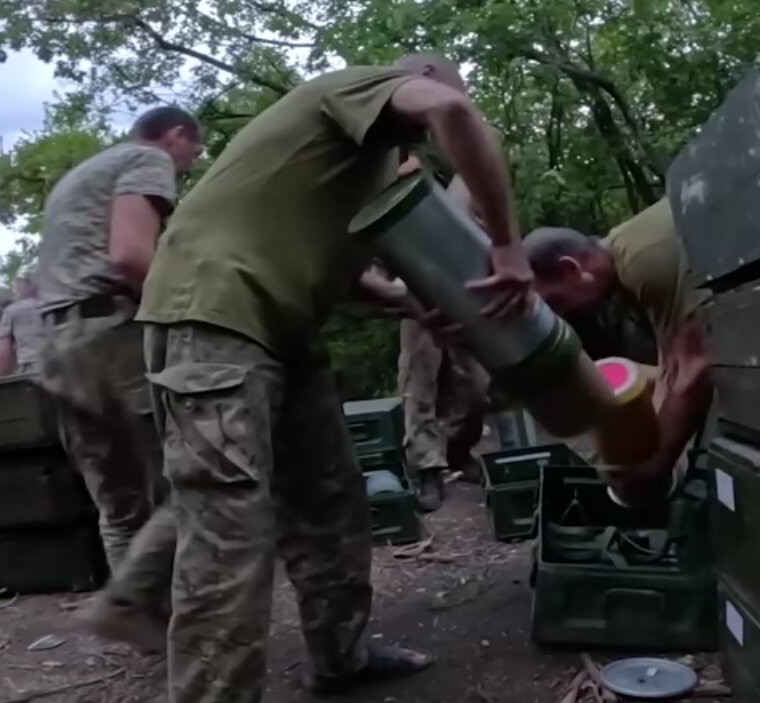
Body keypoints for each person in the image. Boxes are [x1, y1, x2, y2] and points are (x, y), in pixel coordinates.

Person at [104, 53, 529, 703]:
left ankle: (340, 655)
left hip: (286, 331)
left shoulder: (364, 167)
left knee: (331, 499)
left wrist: (405, 301)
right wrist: (506, 245)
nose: (421, 139)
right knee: (229, 536)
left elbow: (318, 246)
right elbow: (449, 110)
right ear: (412, 78)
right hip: (214, 317)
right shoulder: (355, 87)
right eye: (419, 117)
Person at [35, 106, 201, 582]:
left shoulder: (79, 177)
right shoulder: (148, 161)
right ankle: (182, 613)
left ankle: (143, 618)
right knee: (171, 473)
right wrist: (186, 312)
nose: (188, 163)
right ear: (174, 136)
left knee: (117, 497)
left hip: (58, 342)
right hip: (109, 335)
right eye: (194, 150)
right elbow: (130, 257)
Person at [523, 197, 713, 503]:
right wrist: (646, 447)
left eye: (556, 302)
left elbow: (696, 370)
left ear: (571, 269)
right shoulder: (625, 252)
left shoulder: (642, 262)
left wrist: (653, 467)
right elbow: (672, 366)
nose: (563, 314)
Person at [395, 159, 491, 511]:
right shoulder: (392, 179)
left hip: (464, 291)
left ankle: (457, 450)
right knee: (419, 383)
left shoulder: (465, 185)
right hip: (417, 291)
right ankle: (427, 466)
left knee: (476, 385)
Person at [0, 270, 44, 376]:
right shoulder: (57, 305)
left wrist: (2, 379)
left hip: (30, 369)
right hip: (60, 367)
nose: (16, 289)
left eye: (18, 284)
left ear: (27, 285)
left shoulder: (12, 311)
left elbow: (3, 352)